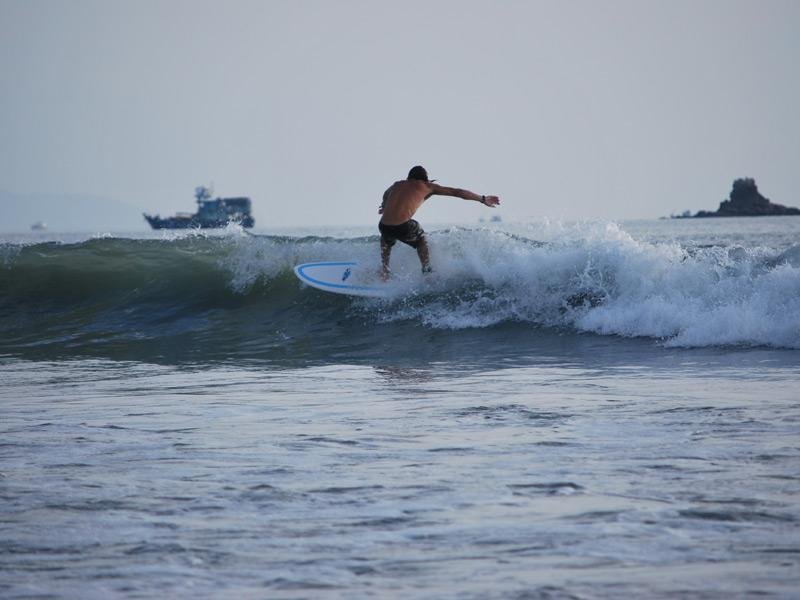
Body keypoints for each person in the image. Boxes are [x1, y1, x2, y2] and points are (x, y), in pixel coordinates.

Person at [378, 165, 500, 279]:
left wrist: (384, 206)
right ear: (425, 179)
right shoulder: (428, 186)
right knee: (421, 238)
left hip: (383, 225)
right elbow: (458, 192)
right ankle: (427, 272)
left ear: (409, 177)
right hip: (403, 226)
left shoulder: (397, 184)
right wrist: (482, 199)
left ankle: (385, 271)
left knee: (387, 238)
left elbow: (386, 193)